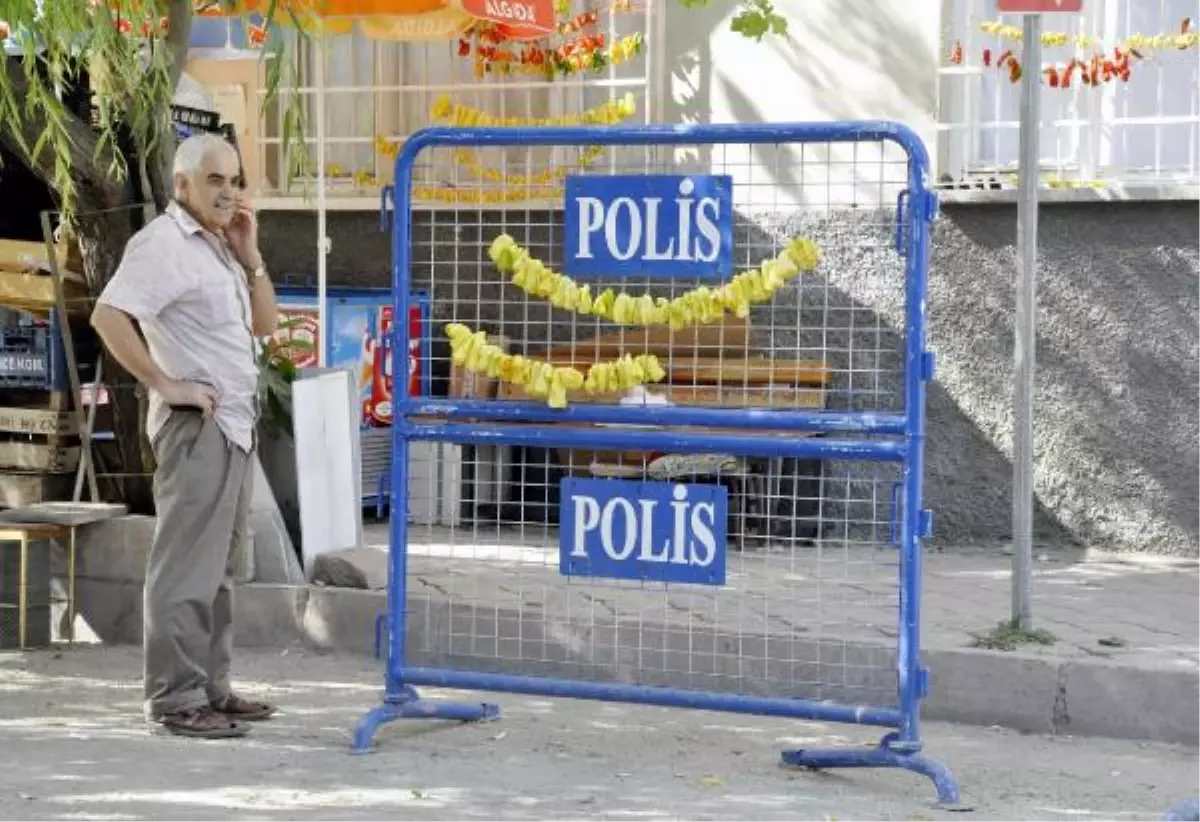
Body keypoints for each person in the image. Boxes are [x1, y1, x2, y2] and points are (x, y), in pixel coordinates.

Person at [90, 133, 280, 739]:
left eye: (234, 179)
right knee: (184, 570)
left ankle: (209, 689)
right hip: (196, 428)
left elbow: (265, 325)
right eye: (214, 180)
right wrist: (164, 382)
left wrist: (251, 258)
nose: (228, 192)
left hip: (232, 428)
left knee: (216, 570)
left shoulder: (220, 247)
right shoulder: (164, 245)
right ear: (182, 185)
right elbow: (107, 315)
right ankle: (174, 698)